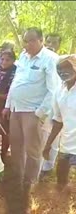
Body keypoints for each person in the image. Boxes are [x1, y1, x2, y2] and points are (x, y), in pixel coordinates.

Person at [2, 27, 59, 213]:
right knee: (16, 147)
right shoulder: (24, 57)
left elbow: (53, 90)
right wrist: (8, 105)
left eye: (30, 41)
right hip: (17, 110)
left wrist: (40, 113)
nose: (26, 45)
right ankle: (18, 181)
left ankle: (30, 184)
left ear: (40, 40)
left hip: (33, 112)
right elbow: (16, 82)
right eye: (24, 41)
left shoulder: (50, 59)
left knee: (33, 150)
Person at [43, 54, 76, 193]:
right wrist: (48, 145)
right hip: (67, 144)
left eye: (66, 69)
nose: (62, 73)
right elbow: (58, 121)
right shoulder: (59, 91)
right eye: (59, 70)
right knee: (60, 180)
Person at [39, 33, 62, 181]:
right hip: (44, 102)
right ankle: (40, 165)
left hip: (59, 103)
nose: (50, 44)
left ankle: (48, 166)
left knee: (54, 136)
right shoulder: (44, 59)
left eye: (54, 42)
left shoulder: (62, 61)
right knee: (42, 135)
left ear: (59, 45)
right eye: (48, 41)